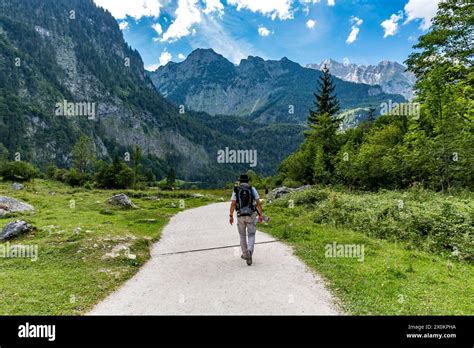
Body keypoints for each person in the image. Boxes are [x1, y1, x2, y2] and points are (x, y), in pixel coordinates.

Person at [229, 174, 263, 266]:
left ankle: (245, 254)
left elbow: (233, 204)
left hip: (240, 215)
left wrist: (231, 215)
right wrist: (260, 215)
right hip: (251, 214)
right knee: (251, 234)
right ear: (248, 181)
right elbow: (258, 203)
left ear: (240, 181)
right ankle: (249, 251)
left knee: (242, 235)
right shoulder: (252, 189)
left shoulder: (236, 190)